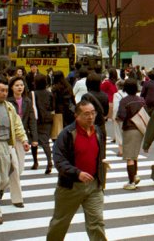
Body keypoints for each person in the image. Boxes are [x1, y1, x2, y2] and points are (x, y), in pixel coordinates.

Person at [46, 100, 105, 240]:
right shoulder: (66, 134)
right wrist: (77, 173)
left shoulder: (97, 131)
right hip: (70, 187)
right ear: (76, 116)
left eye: (93, 113)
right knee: (60, 222)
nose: (90, 117)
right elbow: (59, 161)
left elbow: (99, 155)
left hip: (93, 185)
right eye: (86, 114)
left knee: (97, 222)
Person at [0, 77, 31, 224]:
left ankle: (0, 192)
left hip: (6, 145)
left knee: (5, 179)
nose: (4, 93)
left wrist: (24, 140)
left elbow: (17, 125)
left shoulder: (9, 107)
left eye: (5, 90)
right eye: (1, 90)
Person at [6, 77, 37, 208]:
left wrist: (34, 138)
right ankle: (17, 199)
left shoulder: (27, 101)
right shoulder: (7, 102)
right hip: (8, 138)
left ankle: (4, 185)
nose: (20, 87)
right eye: (17, 85)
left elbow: (31, 120)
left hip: (22, 136)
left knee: (20, 168)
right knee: (14, 167)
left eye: (21, 85)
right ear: (11, 87)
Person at [115, 79, 145, 190]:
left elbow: (121, 116)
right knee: (134, 154)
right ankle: (135, 176)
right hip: (140, 129)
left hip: (129, 128)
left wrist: (117, 118)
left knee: (129, 157)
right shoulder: (141, 100)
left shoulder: (124, 101)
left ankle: (131, 182)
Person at [32, 74, 55, 174]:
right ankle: (49, 161)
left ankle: (35, 162)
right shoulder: (49, 93)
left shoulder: (33, 93)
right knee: (45, 141)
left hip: (36, 120)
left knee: (34, 141)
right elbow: (52, 106)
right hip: (48, 119)